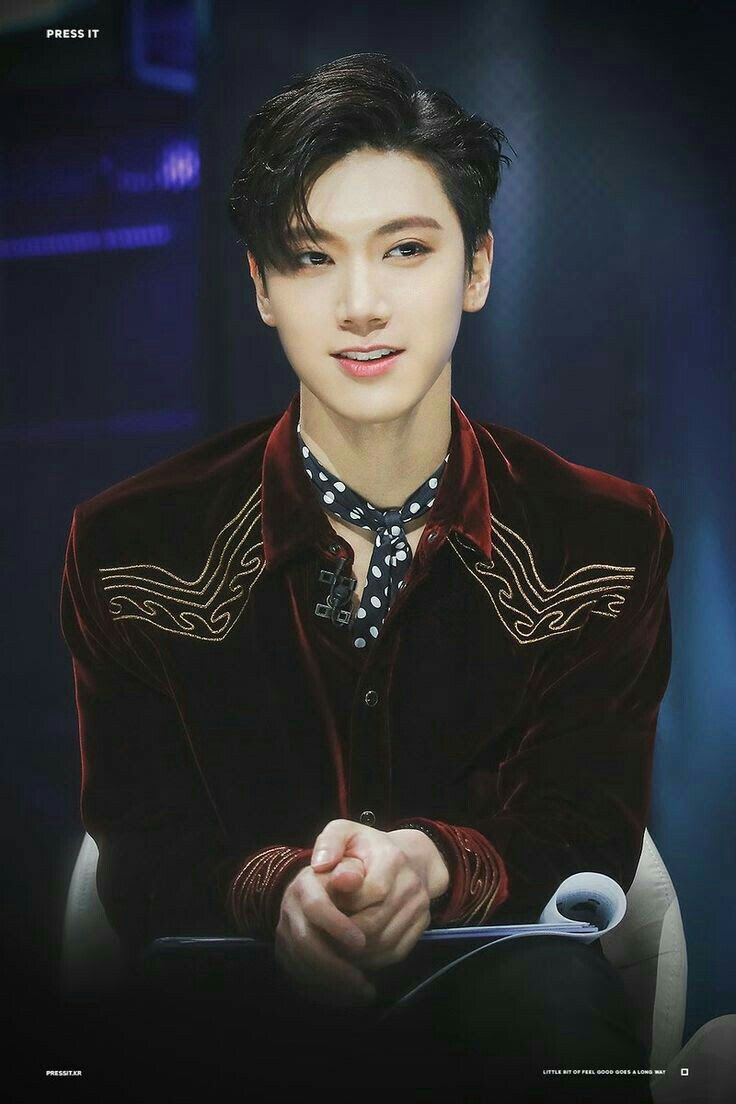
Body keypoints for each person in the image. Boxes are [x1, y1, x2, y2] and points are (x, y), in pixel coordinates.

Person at [60, 53, 672, 1101]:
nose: (360, 304)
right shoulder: (129, 547)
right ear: (261, 288)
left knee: (559, 1023)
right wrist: (280, 893)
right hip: (229, 996)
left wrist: (430, 865)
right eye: (310, 258)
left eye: (406, 249)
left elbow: (588, 824)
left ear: (477, 268)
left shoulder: (603, 538)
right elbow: (141, 844)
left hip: (511, 997)